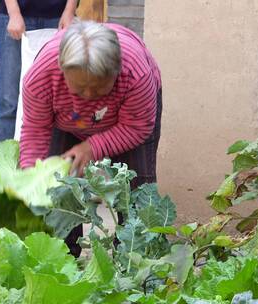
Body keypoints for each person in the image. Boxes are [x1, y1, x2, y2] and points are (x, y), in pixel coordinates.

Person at [19, 21, 162, 257]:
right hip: (64, 121)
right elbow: (36, 129)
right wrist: (30, 178)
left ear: (115, 72)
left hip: (126, 122)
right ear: (62, 69)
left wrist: (92, 146)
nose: (87, 96)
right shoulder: (41, 76)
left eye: (97, 88)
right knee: (57, 185)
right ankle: (63, 259)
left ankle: (134, 261)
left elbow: (136, 127)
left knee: (137, 190)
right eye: (79, 88)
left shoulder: (136, 73)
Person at [0, 0, 78, 143]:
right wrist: (13, 13)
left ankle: (53, 161)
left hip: (59, 16)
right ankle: (1, 162)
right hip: (14, 15)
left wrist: (70, 10)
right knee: (8, 101)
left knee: (60, 100)